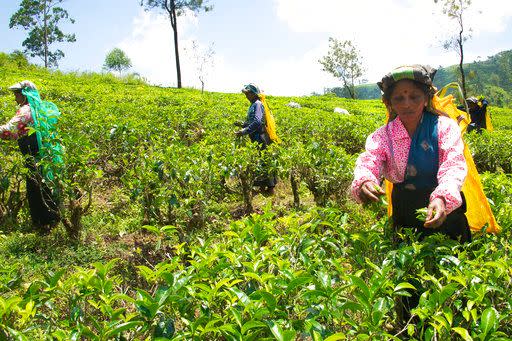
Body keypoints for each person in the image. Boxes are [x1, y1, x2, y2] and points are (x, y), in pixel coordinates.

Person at [351, 65, 471, 242]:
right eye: (399, 98)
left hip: (445, 209)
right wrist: (365, 181)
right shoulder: (383, 136)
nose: (407, 104)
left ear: (426, 99)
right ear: (389, 103)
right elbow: (369, 161)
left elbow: (453, 165)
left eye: (414, 97)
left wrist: (443, 199)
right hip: (406, 211)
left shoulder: (445, 127)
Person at [2, 80, 63, 233]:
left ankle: (43, 223)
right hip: (43, 154)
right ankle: (52, 219)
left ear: (25, 94)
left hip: (33, 153)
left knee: (36, 187)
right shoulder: (38, 109)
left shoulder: (25, 110)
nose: (15, 97)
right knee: (44, 184)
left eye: (17, 93)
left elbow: (10, 130)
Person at [235, 83, 277, 193]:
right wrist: (242, 124)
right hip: (256, 137)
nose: (246, 96)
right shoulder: (253, 104)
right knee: (261, 160)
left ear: (254, 94)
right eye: (246, 93)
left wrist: (244, 131)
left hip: (261, 136)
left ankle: (270, 189)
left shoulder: (257, 104)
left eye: (248, 93)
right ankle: (264, 187)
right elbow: (252, 122)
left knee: (265, 160)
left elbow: (258, 122)